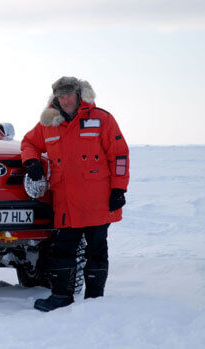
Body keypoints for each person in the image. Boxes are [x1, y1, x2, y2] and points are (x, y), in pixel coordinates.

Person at [21, 76, 130, 312]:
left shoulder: (101, 119)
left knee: (96, 249)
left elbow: (119, 155)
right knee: (63, 250)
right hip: (66, 202)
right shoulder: (48, 124)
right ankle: (61, 296)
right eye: (61, 95)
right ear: (55, 98)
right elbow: (28, 143)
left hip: (98, 200)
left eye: (70, 94)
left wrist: (119, 188)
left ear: (79, 94)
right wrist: (31, 162)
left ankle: (94, 299)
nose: (66, 99)